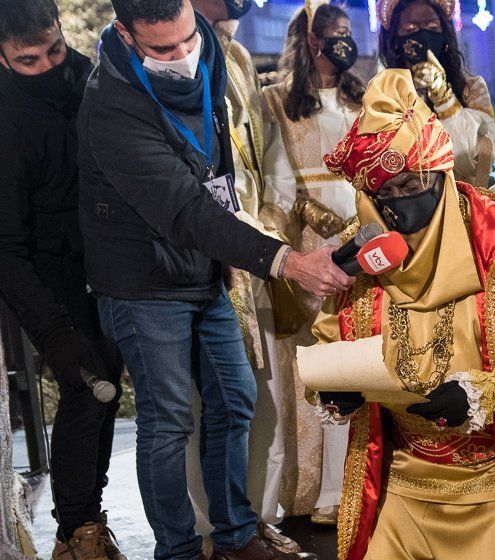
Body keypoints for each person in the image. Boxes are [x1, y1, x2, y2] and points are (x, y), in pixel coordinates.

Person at [77, 0, 351, 558]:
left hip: (203, 263)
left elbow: (219, 154)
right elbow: (182, 208)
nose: (181, 55)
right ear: (127, 36)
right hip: (142, 280)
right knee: (170, 417)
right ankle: (177, 549)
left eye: (185, 41)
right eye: (162, 49)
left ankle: (235, 533)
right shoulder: (111, 105)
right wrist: (287, 261)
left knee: (235, 397)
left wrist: (228, 246)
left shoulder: (204, 42)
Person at [315, 68, 495, 560]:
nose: (392, 209)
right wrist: (335, 383)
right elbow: (332, 338)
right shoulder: (363, 251)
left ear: (438, 174)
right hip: (398, 488)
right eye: (377, 193)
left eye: (407, 185)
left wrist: (485, 393)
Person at [0, 2, 126, 559]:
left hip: (112, 258)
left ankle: (88, 518)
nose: (49, 66)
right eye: (28, 60)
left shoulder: (90, 77)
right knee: (85, 383)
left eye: (54, 49)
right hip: (43, 269)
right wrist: (50, 328)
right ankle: (76, 532)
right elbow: (6, 245)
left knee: (107, 385)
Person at [184, 0, 304, 553]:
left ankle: (248, 521)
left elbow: (259, 158)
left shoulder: (232, 51)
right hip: (198, 256)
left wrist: (268, 229)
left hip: (249, 250)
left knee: (253, 398)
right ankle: (214, 531)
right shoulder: (173, 53)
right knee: (205, 402)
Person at [260, 0, 365, 526]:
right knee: (315, 368)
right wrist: (304, 226)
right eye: (330, 33)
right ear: (308, 41)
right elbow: (277, 186)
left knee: (353, 365)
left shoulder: (363, 99)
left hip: (363, 244)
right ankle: (313, 490)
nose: (340, 42)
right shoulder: (275, 101)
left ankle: (348, 487)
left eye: (347, 32)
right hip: (311, 249)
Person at [377, 0, 495, 186]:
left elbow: (474, 162)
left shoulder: (472, 89)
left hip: (460, 206)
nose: (424, 35)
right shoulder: (383, 96)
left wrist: (444, 97)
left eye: (432, 27)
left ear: (445, 36)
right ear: (395, 41)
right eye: (410, 29)